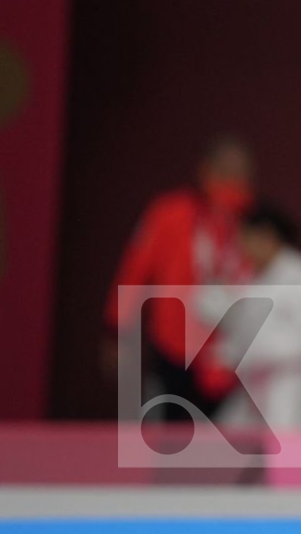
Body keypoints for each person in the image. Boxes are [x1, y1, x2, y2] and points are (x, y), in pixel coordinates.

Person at [103, 134, 256, 422]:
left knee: (227, 449)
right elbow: (135, 273)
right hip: (174, 348)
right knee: (170, 442)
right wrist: (117, 331)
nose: (232, 183)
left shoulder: (255, 226)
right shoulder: (169, 214)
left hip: (233, 355)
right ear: (205, 170)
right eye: (225, 172)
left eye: (241, 175)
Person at [201, 203, 301, 433]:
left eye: (245, 238)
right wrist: (223, 361)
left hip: (290, 392)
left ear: (267, 237)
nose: (241, 246)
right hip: (250, 391)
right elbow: (239, 335)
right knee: (222, 454)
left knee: (289, 460)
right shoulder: (247, 278)